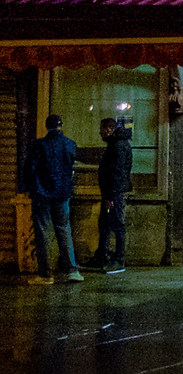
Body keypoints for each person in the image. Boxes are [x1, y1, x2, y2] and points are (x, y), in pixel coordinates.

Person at [26, 115, 81, 284]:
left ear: (46, 126)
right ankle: (71, 271)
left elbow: (30, 169)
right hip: (63, 194)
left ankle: (45, 274)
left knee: (42, 232)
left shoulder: (39, 145)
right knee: (64, 230)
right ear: (61, 126)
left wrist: (30, 188)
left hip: (42, 194)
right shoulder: (70, 144)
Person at [94, 118, 132, 272]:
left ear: (109, 129)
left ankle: (118, 259)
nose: (100, 132)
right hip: (113, 192)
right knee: (105, 223)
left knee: (116, 223)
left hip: (114, 193)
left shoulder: (117, 146)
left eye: (102, 129)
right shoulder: (117, 144)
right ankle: (102, 255)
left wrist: (110, 196)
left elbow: (116, 172)